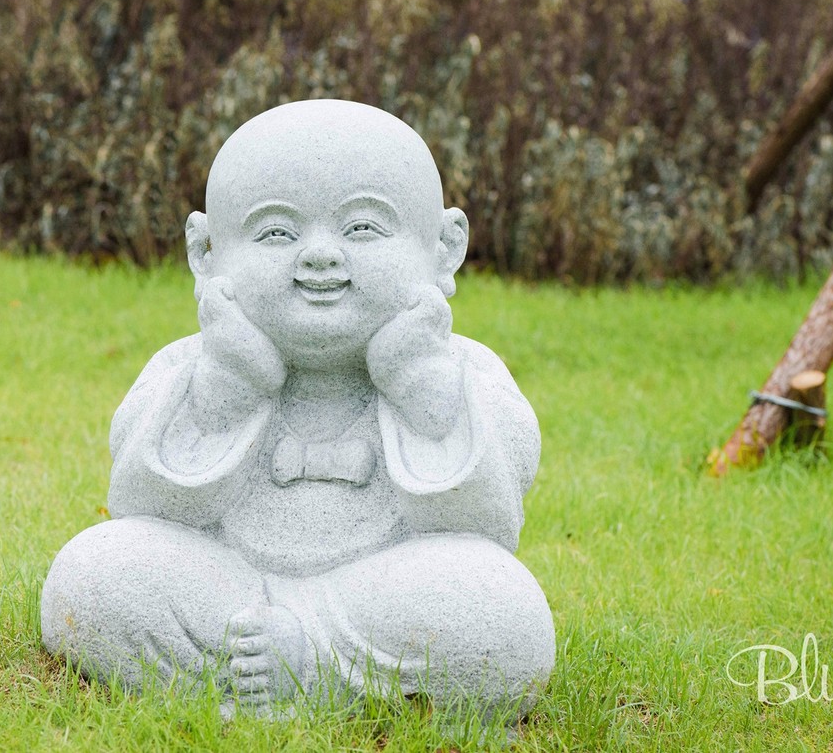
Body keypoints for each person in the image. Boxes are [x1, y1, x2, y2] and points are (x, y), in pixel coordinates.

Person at [41, 100, 555, 722]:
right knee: (95, 571)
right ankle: (276, 676)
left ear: (445, 248)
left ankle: (304, 664)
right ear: (205, 253)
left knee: (502, 607)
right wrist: (227, 385)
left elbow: (488, 522)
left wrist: (420, 383)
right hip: (225, 594)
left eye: (362, 228)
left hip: (383, 601)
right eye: (275, 233)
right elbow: (142, 506)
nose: (319, 256)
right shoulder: (191, 366)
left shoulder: (460, 370)